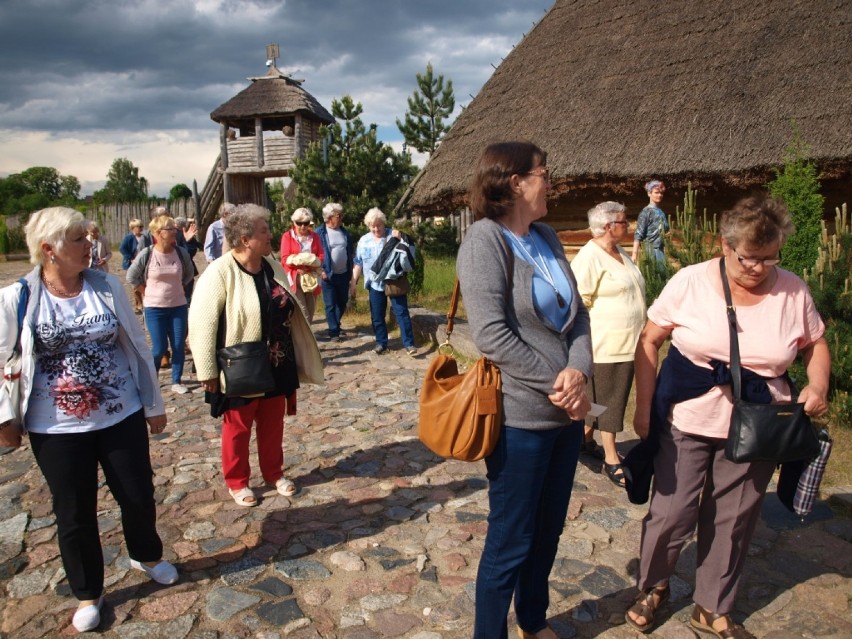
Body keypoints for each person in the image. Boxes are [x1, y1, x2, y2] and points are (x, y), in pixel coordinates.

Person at [624, 195, 830, 638]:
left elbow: (815, 343)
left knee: (734, 518)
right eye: (749, 257)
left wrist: (818, 384)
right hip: (688, 421)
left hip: (758, 427)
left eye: (770, 257)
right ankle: (653, 586)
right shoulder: (690, 282)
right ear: (724, 245)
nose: (759, 267)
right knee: (672, 512)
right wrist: (643, 407)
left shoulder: (792, 289)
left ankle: (712, 606)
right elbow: (649, 340)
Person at [0, 207, 178, 633]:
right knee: (74, 513)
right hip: (56, 427)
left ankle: (146, 554)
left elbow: (135, 343)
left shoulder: (105, 286)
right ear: (49, 250)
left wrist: (152, 404)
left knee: (138, 494)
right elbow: (4, 359)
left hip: (121, 414)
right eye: (78, 239)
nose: (90, 245)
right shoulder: (17, 297)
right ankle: (88, 591)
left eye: (87, 236)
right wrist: (6, 418)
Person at [458, 142, 593, 639]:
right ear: (516, 182)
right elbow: (491, 334)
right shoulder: (484, 240)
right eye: (544, 173)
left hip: (565, 414)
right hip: (520, 420)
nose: (551, 182)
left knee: (548, 533)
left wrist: (577, 372)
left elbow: (578, 318)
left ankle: (532, 623)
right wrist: (557, 381)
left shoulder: (547, 236)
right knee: (511, 540)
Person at [188, 204, 324, 507]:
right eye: (264, 231)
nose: (270, 235)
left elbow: (287, 302)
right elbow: (202, 322)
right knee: (238, 425)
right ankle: (237, 481)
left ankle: (274, 473)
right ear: (245, 238)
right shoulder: (220, 272)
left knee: (273, 421)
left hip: (277, 360)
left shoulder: (270, 264)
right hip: (241, 363)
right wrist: (207, 370)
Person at [570, 202, 646, 485]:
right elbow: (578, 302)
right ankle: (611, 457)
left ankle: (584, 440)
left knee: (600, 399)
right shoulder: (590, 256)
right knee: (609, 400)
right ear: (607, 226)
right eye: (624, 222)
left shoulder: (619, 252)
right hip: (606, 343)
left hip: (629, 341)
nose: (629, 226)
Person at [127, 214, 194, 394]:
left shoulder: (181, 253)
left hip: (178, 306)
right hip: (154, 308)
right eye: (169, 229)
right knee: (159, 348)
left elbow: (189, 273)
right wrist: (144, 290)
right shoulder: (148, 253)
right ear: (158, 233)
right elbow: (131, 276)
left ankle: (176, 381)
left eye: (174, 228)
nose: (174, 232)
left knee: (179, 344)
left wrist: (181, 286)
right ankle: (152, 378)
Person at [349, 207, 417, 356]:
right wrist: (353, 281)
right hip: (374, 283)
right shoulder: (364, 241)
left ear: (383, 223)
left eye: (379, 225)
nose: (376, 228)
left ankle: (409, 343)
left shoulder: (393, 236)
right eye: (372, 226)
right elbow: (358, 262)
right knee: (377, 315)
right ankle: (381, 342)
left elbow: (410, 248)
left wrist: (402, 237)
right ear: (368, 226)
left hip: (394, 281)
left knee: (401, 312)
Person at [316, 202, 354, 341]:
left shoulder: (344, 231)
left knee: (342, 302)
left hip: (343, 274)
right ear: (329, 217)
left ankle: (335, 325)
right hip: (328, 274)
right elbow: (315, 253)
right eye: (339, 215)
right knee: (330, 304)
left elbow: (350, 251)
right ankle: (334, 332)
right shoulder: (319, 232)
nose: (341, 217)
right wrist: (321, 270)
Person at [279, 207, 324, 324]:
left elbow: (321, 255)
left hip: (311, 278)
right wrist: (297, 269)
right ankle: (303, 338)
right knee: (302, 309)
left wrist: (311, 266)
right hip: (295, 278)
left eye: (306, 223)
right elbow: (284, 259)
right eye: (299, 223)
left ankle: (306, 337)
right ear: (294, 222)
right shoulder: (287, 236)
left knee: (310, 309)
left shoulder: (315, 237)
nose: (303, 226)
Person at [631, 179, 669, 267]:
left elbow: (665, 230)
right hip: (650, 250)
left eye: (661, 193)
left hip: (660, 250)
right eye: (656, 192)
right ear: (649, 193)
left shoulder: (661, 212)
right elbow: (638, 234)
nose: (659, 195)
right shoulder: (646, 212)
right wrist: (634, 255)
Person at [118, 219, 151, 312]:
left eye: (142, 226)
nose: (141, 229)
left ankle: (145, 302)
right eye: (139, 227)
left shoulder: (145, 237)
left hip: (144, 263)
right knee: (135, 284)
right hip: (132, 263)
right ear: (133, 228)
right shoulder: (129, 238)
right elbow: (122, 248)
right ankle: (138, 304)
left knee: (145, 283)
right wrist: (131, 258)